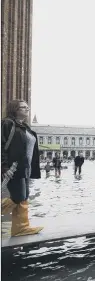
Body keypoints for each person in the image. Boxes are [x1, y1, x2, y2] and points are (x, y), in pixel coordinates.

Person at [1, 99, 44, 236]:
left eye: (27, 107)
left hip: (25, 168)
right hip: (13, 167)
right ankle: (20, 227)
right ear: (15, 109)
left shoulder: (24, 126)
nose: (27, 109)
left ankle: (20, 228)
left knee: (24, 196)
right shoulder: (7, 123)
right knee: (18, 196)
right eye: (23, 107)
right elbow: (2, 146)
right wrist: (4, 167)